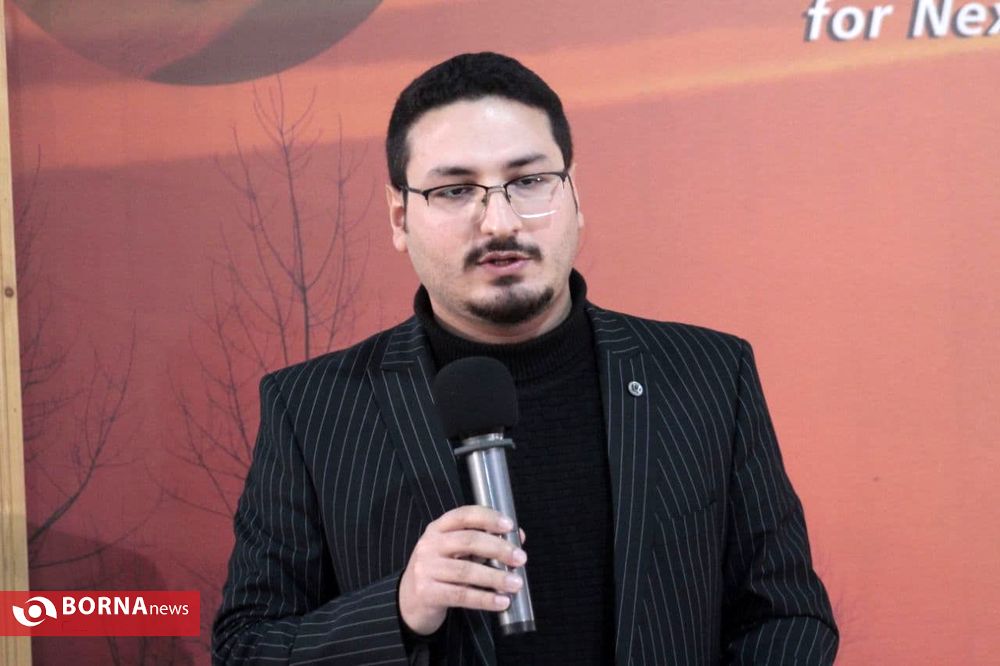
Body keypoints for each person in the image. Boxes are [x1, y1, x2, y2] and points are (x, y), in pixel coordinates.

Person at [212, 52, 838, 665]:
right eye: (455, 190)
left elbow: (787, 616)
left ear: (574, 196)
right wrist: (399, 609)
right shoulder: (312, 408)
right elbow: (245, 645)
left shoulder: (709, 374)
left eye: (530, 181)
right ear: (400, 217)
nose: (499, 222)